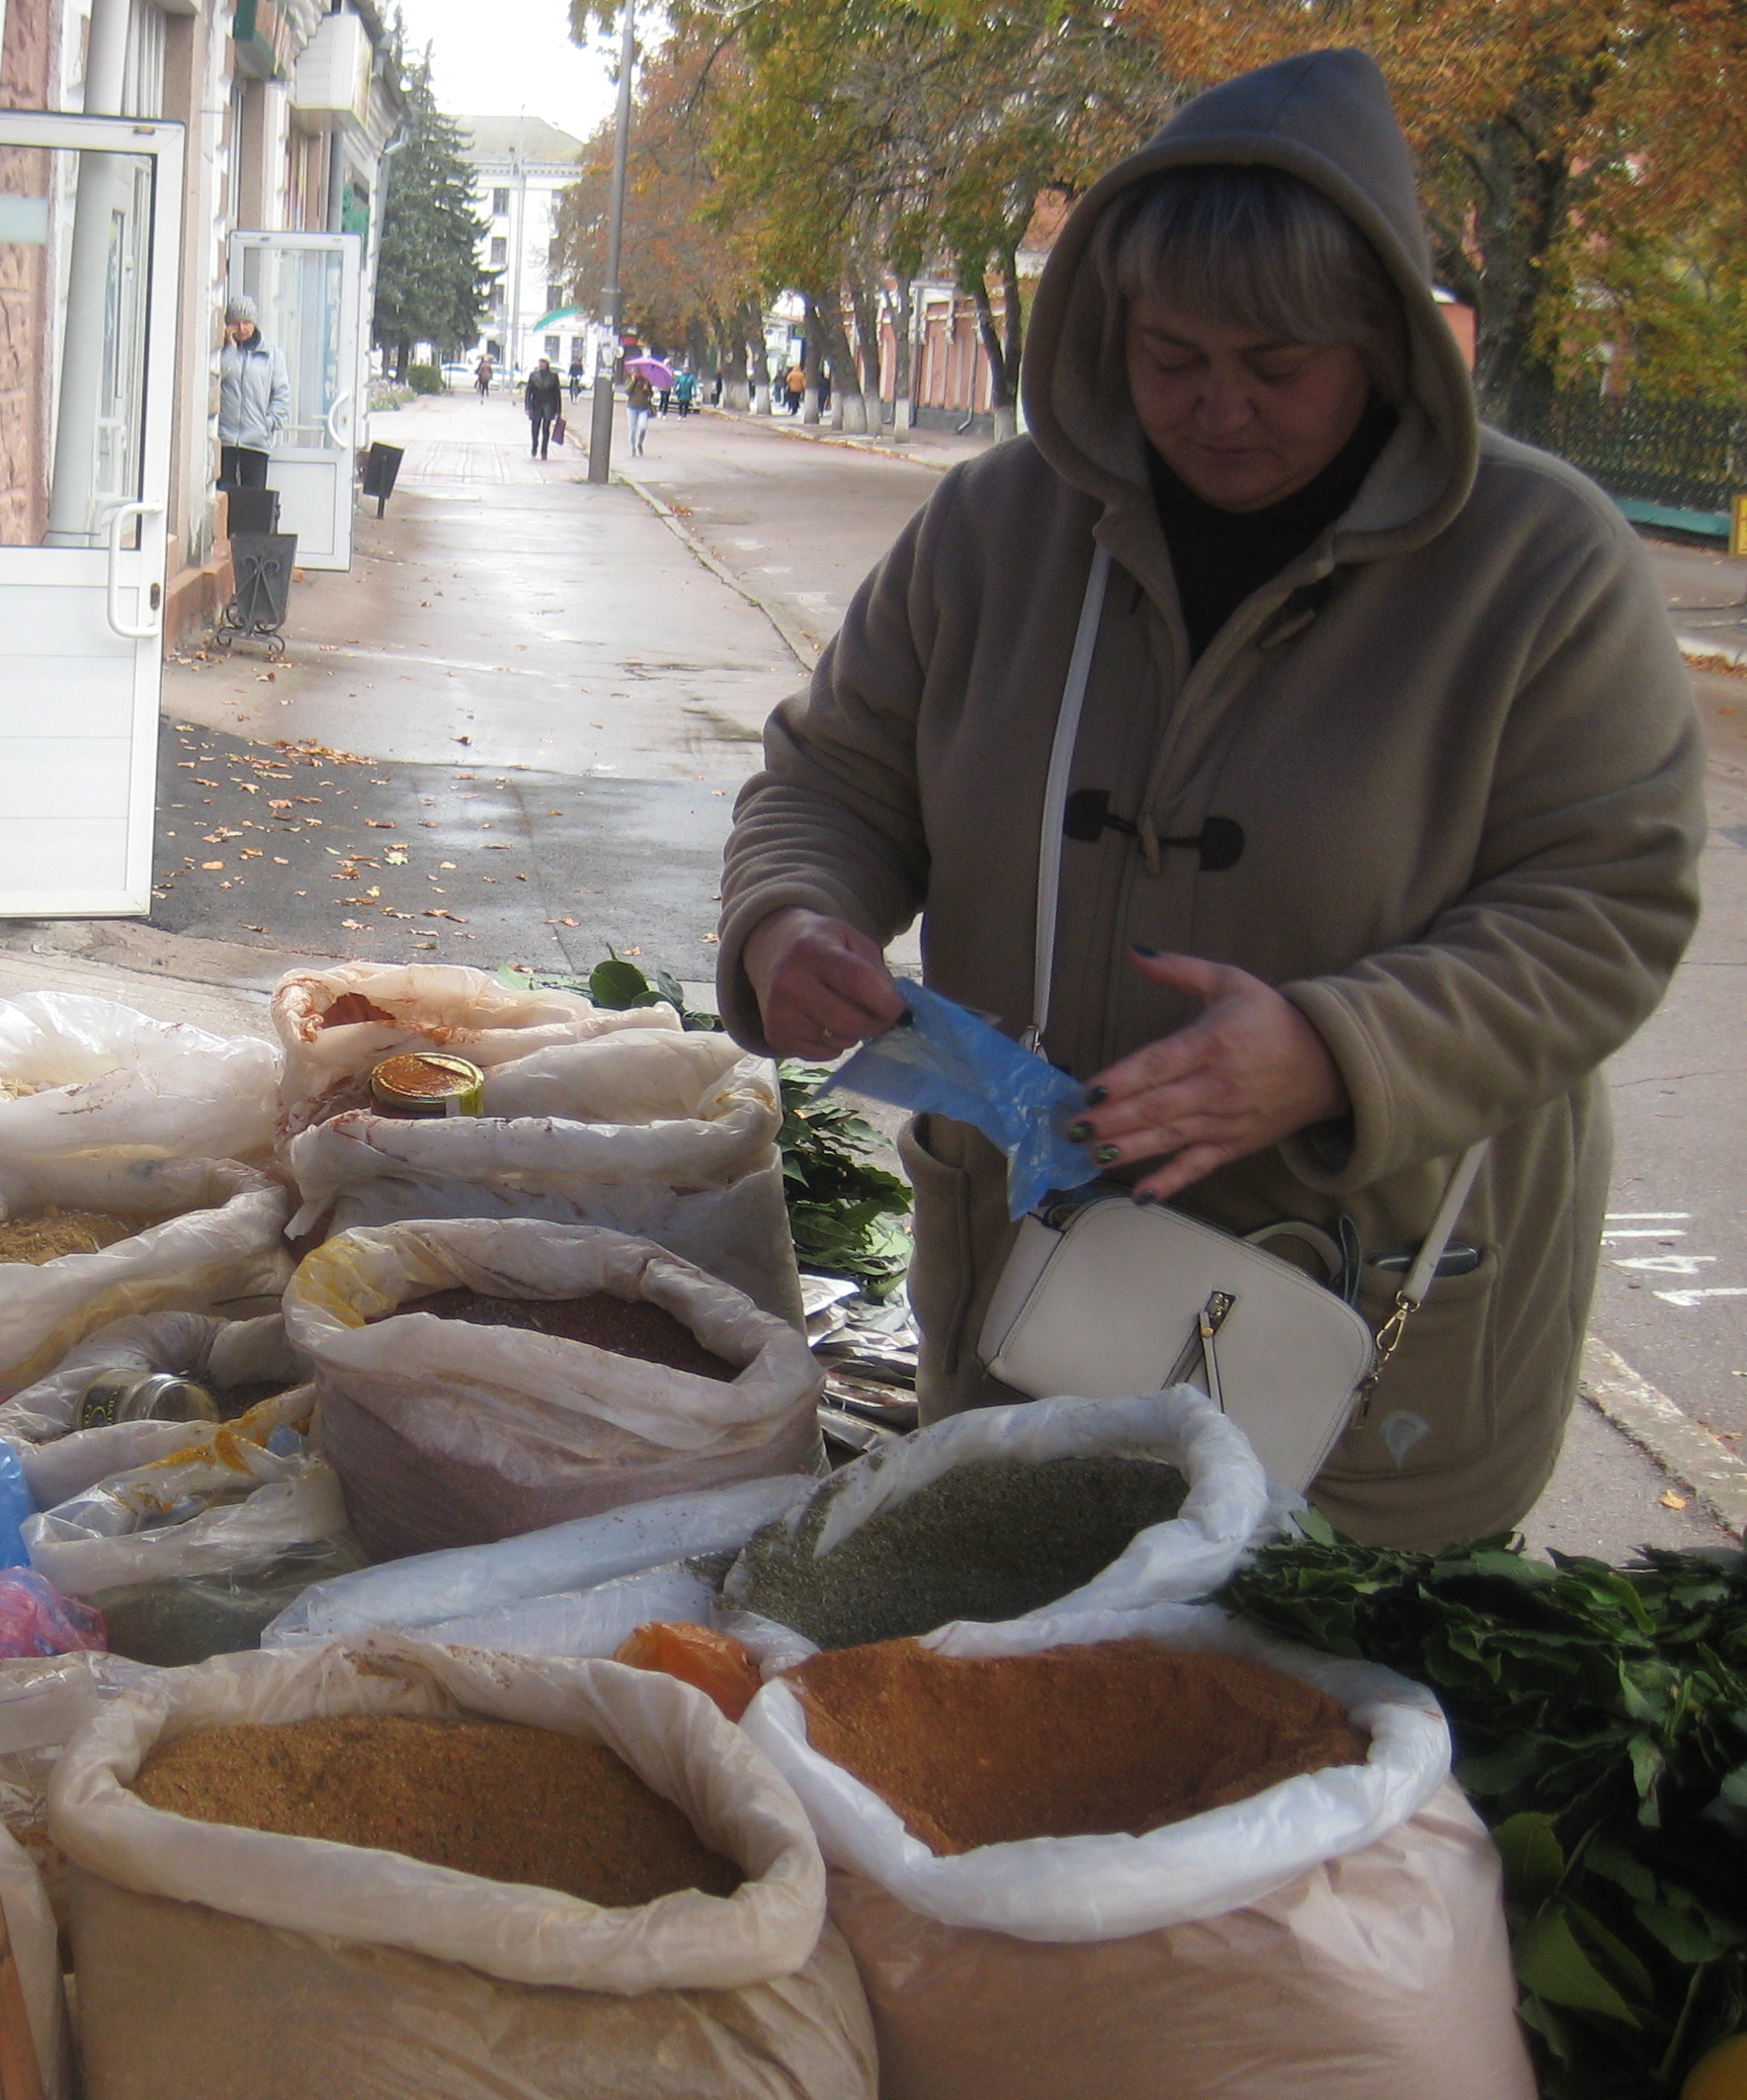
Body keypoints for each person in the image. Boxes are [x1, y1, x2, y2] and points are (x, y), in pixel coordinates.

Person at [716, 49, 1705, 1551]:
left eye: (1275, 367)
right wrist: (796, 923)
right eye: (1174, 357)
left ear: (1378, 341)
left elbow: (1605, 909)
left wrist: (1335, 1050)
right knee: (996, 1713)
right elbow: (833, 777)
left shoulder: (1541, 569)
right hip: (1025, 1303)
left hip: (1362, 1346)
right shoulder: (995, 529)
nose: (1217, 410)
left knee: (1294, 1736)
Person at [216, 293, 289, 490]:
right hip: (226, 439)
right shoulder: (222, 353)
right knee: (225, 497)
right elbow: (219, 376)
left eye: (246, 322)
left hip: (256, 440)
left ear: (254, 323)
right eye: (236, 323)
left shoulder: (272, 354)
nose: (241, 329)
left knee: (252, 502)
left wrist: (269, 423)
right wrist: (230, 349)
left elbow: (281, 394)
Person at [524, 356, 565, 460]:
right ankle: (534, 446)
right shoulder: (533, 375)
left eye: (543, 362)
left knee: (546, 429)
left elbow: (557, 394)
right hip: (536, 405)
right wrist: (527, 406)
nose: (541, 364)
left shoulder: (553, 376)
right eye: (540, 362)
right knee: (534, 428)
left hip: (548, 406)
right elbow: (529, 392)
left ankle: (544, 450)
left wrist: (558, 410)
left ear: (547, 364)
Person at [625, 361, 657, 455]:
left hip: (643, 407)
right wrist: (633, 381)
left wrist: (647, 390)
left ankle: (639, 443)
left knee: (643, 427)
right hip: (632, 407)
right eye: (634, 372)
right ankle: (632, 447)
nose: (636, 374)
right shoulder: (630, 380)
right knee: (632, 428)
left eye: (637, 372)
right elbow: (627, 391)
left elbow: (651, 395)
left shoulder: (646, 381)